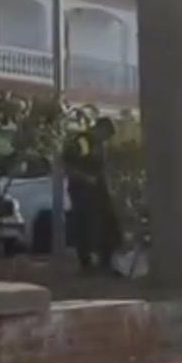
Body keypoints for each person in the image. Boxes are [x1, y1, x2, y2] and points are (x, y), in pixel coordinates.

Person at [62, 117, 120, 275]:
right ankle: (86, 264)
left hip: (99, 190)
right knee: (85, 226)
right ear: (100, 129)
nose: (106, 139)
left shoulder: (98, 144)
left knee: (108, 224)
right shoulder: (83, 141)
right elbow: (68, 165)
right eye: (106, 135)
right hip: (82, 190)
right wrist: (86, 178)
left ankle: (105, 262)